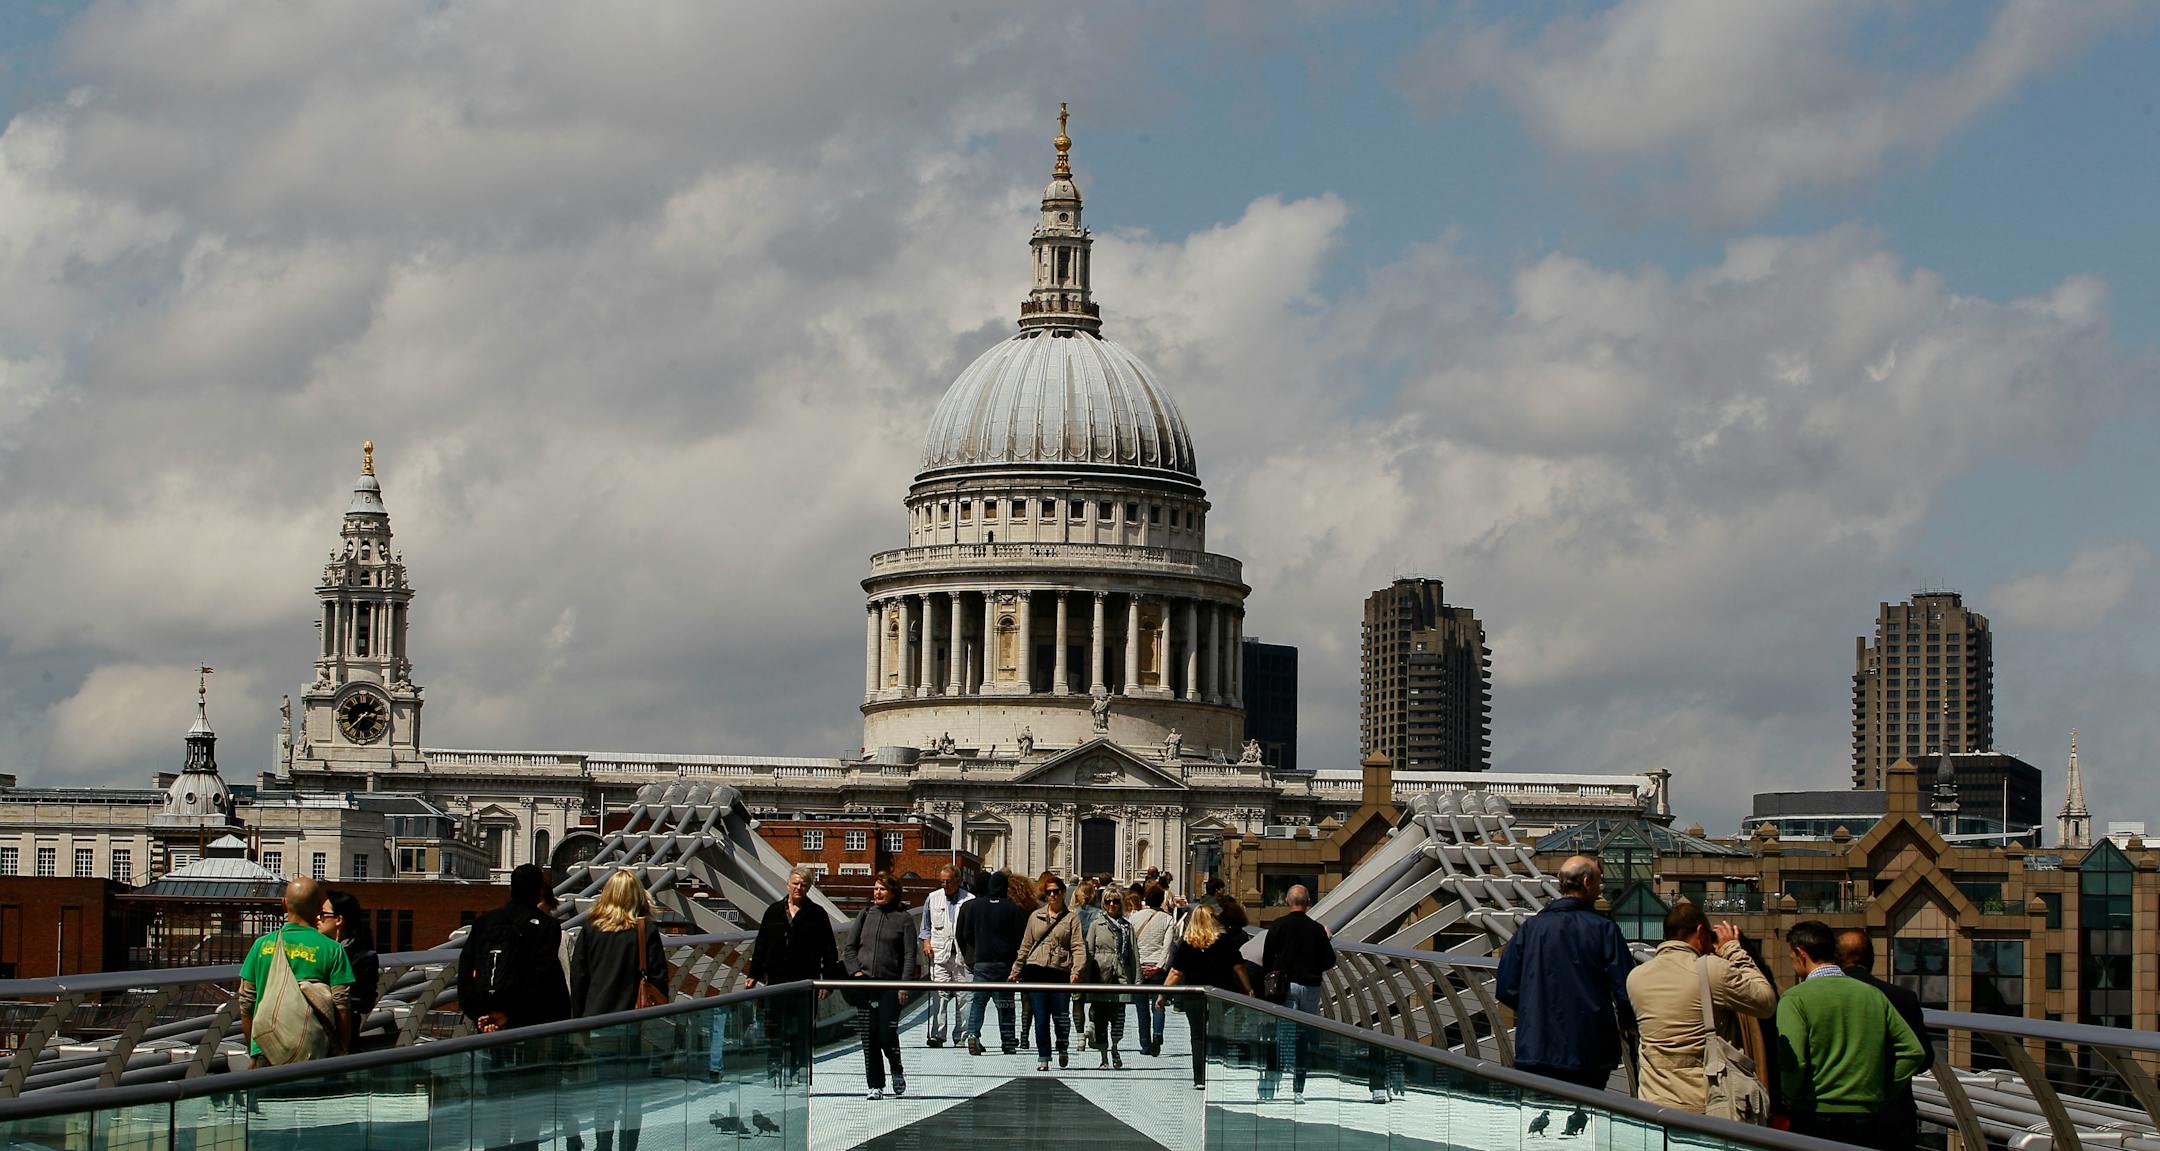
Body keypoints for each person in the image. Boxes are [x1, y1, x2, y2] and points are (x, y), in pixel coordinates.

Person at [1774, 920, 1928, 1149]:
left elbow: (1793, 1061)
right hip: (1866, 1116)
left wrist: (1790, 1096)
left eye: (1791, 957)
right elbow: (1913, 1052)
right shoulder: (1872, 995)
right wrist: (1882, 1090)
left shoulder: (1795, 998)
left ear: (1800, 953)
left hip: (1814, 1113)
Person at [1494, 855, 1637, 1091]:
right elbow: (1625, 988)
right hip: (1590, 1049)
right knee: (1584, 1119)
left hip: (1536, 1046)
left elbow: (1506, 986)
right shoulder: (1604, 929)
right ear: (1586, 882)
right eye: (1599, 882)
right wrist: (1627, 1022)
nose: (1600, 889)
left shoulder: (1531, 928)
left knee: (1541, 1119)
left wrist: (1536, 1009)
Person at [1625, 902, 1778, 1113]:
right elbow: (1766, 1002)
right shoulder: (1711, 970)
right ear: (1700, 932)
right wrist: (1733, 949)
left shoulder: (1636, 977)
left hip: (1653, 1101)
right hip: (1701, 1104)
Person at [565, 870, 668, 1151]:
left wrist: (579, 1024)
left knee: (605, 1091)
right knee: (631, 1095)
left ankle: (603, 1145)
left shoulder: (590, 928)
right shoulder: (645, 930)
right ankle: (628, 1146)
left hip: (598, 1021)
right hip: (633, 1023)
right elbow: (659, 980)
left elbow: (579, 979)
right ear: (636, 895)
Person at [238, 877, 354, 1066]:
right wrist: (341, 1051)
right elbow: (342, 1006)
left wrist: (254, 1052)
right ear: (318, 907)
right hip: (315, 1051)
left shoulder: (261, 946)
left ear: (283, 904)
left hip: (267, 1050)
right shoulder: (333, 949)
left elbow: (246, 1004)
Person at [743, 867, 841, 1086]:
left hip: (805, 982)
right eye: (795, 883)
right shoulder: (773, 911)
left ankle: (799, 1070)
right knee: (774, 1028)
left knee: (802, 1030)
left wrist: (828, 981)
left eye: (804, 885)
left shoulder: (817, 914)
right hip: (776, 981)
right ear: (788, 884)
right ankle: (774, 1068)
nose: (799, 888)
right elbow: (762, 945)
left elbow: (829, 950)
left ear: (809, 888)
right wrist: (754, 974)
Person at [1835, 929, 1933, 1145]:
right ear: (1871, 959)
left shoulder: (1820, 999)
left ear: (1836, 960)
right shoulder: (1904, 998)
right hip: (1894, 1116)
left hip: (1837, 1115)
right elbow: (1924, 1058)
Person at [459, 863, 573, 1034]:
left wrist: (479, 1014)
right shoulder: (548, 926)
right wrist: (507, 1014)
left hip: (486, 1019)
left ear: (510, 889)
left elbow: (465, 971)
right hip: (532, 1023)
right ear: (539, 892)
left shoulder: (484, 922)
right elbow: (542, 976)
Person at [1162, 903, 1253, 1089]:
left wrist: (1162, 994)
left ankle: (1199, 1079)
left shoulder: (1188, 943)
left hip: (1194, 995)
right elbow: (1239, 967)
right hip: (1220, 994)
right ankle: (1216, 1075)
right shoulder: (1226, 941)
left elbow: (1176, 973)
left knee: (1197, 1036)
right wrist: (1248, 989)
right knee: (1218, 1034)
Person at [1261, 884, 1337, 1102]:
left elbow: (1267, 959)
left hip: (1286, 986)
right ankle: (1298, 1088)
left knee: (1284, 1033)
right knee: (1303, 1035)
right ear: (1309, 902)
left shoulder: (1278, 926)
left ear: (1287, 901)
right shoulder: (1316, 929)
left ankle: (1278, 1083)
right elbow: (1329, 960)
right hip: (1311, 986)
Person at [846, 873, 918, 1100]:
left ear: (893, 892)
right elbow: (849, 948)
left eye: (882, 889)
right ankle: (875, 1084)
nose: (877, 893)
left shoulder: (904, 919)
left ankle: (896, 1067)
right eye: (876, 889)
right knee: (869, 1037)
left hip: (890, 985)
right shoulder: (865, 914)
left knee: (886, 1034)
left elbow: (909, 955)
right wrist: (856, 972)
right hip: (865, 984)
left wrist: (904, 985)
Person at [1010, 873, 1085, 1072]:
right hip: (1035, 971)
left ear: (1063, 893)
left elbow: (1078, 946)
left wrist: (1076, 971)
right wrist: (1016, 969)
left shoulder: (1072, 919)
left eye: (1056, 892)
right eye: (1049, 892)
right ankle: (1044, 1056)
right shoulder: (1035, 916)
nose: (1052, 895)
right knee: (1041, 1017)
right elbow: (1026, 945)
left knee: (1061, 1016)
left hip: (1059, 971)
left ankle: (1062, 1046)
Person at [957, 871, 1030, 1055]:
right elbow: (1021, 937)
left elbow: (966, 934)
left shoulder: (975, 906)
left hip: (982, 961)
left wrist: (974, 953)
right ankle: (1007, 1041)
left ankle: (973, 1034)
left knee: (978, 1002)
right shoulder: (1012, 908)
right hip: (1004, 963)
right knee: (1005, 1004)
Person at [918, 864, 973, 1049]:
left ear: (958, 880)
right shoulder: (933, 898)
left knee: (964, 997)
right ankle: (937, 1034)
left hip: (961, 955)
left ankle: (962, 1036)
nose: (945, 885)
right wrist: (926, 943)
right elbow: (925, 927)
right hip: (939, 953)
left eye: (948, 881)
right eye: (942, 881)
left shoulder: (969, 900)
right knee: (938, 995)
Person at [1084, 888, 1140, 1068]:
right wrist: (1085, 978)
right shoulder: (1096, 925)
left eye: (1115, 901)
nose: (1112, 905)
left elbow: (1134, 954)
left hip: (1121, 975)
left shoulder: (1127, 926)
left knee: (1118, 1018)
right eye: (1108, 902)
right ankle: (1103, 1056)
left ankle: (1115, 1047)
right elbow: (1089, 952)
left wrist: (1137, 981)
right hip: (1101, 976)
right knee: (1100, 1018)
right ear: (1103, 904)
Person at [319, 889, 380, 1052]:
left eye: (323, 914)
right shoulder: (318, 949)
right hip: (316, 1035)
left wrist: (336, 1000)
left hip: (342, 1035)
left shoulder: (363, 956)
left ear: (339, 920)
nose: (318, 918)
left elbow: (366, 1002)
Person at [1128, 884, 1176, 1056]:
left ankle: (1145, 1045)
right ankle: (1158, 1034)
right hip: (1157, 968)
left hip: (1139, 968)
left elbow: (1131, 945)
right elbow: (1168, 946)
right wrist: (1159, 967)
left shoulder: (1135, 918)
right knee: (1159, 1004)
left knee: (1141, 1009)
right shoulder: (1168, 919)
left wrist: (1137, 965)